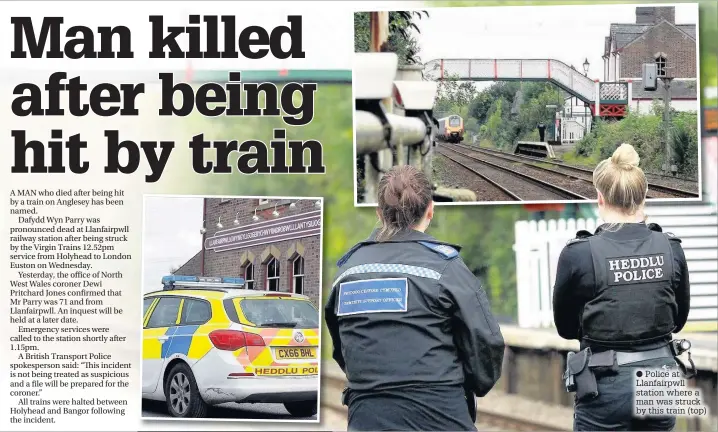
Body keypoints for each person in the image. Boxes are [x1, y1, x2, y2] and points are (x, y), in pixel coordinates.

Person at [324, 165, 505, 432]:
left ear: (378, 213)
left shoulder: (347, 273)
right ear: (430, 210)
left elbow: (343, 350)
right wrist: (469, 384)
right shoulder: (447, 268)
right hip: (440, 417)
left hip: (367, 417)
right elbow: (485, 342)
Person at [553, 144, 691, 431]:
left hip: (606, 383)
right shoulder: (670, 248)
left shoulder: (578, 253)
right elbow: (678, 320)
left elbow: (566, 328)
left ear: (600, 199)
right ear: (643, 199)